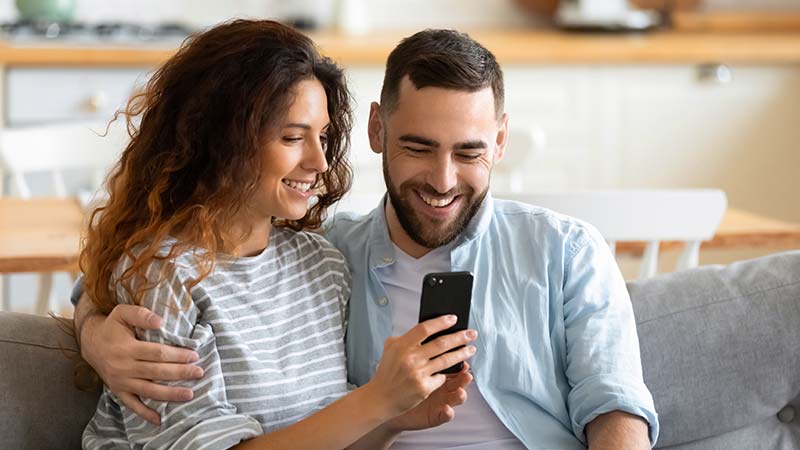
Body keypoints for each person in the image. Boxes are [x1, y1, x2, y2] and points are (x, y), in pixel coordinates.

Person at [74, 28, 659, 449]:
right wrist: (94, 329)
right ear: (379, 129)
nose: (443, 180)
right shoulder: (335, 250)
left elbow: (615, 404)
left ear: (500, 142)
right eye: (419, 147)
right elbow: (136, 276)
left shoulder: (567, 251)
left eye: (470, 152)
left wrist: (394, 413)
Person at [76, 20, 477, 450]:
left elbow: (324, 436)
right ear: (222, 140)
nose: (320, 162)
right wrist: (376, 401)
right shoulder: (166, 278)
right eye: (292, 137)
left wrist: (393, 420)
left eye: (322, 136)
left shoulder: (322, 264)